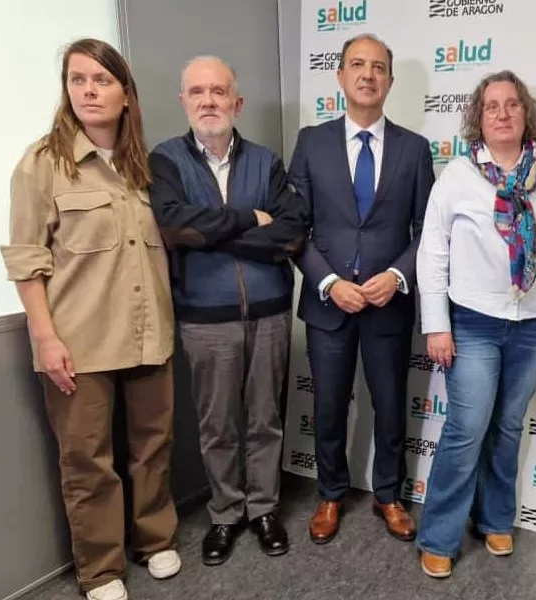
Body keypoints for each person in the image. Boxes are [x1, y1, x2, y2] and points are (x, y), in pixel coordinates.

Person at [0, 38, 180, 600]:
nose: (88, 91)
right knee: (87, 461)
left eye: (101, 80)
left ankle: (155, 539)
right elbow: (26, 259)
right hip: (80, 342)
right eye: (77, 80)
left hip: (149, 333)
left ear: (126, 93)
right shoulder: (42, 163)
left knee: (153, 445)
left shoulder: (143, 166)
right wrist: (45, 337)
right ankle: (100, 569)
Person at [414, 70, 536, 578]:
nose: (503, 114)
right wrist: (436, 324)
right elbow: (432, 251)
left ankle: (495, 518)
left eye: (512, 104)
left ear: (526, 113)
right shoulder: (458, 176)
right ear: (478, 119)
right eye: (492, 106)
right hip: (473, 322)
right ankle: (439, 535)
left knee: (507, 425)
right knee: (467, 428)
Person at [149, 56, 308, 565]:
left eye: (218, 92)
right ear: (183, 101)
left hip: (269, 313)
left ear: (236, 102)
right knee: (217, 426)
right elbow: (174, 227)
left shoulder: (266, 161)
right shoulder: (166, 159)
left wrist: (215, 234)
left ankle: (263, 509)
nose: (208, 101)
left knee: (265, 419)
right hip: (205, 318)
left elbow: (290, 233)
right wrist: (246, 220)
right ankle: (225, 512)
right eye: (197, 92)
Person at [288, 33, 434, 544]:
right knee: (328, 405)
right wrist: (328, 282)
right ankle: (330, 493)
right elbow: (294, 227)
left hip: (389, 306)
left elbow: (427, 230)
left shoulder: (414, 150)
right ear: (340, 75)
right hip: (328, 306)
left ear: (389, 81)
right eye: (357, 64)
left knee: (391, 406)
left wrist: (397, 276)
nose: (367, 74)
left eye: (378, 67)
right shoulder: (311, 142)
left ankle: (389, 494)